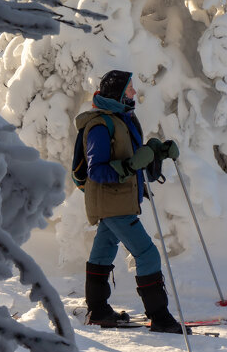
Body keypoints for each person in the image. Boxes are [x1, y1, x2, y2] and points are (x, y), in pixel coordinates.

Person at [75, 69, 186, 333]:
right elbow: (96, 170)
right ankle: (160, 317)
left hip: (118, 201)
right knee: (147, 253)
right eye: (129, 88)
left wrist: (155, 151)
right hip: (112, 203)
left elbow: (134, 159)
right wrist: (132, 163)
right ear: (117, 92)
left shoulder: (122, 119)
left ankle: (98, 310)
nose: (134, 92)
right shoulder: (100, 125)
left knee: (103, 251)